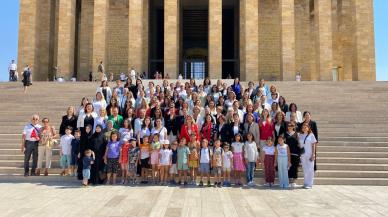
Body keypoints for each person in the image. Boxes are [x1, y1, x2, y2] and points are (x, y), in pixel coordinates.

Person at [299, 123, 317, 189]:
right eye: (303, 127)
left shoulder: (311, 135)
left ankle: (310, 184)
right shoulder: (300, 135)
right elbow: (299, 145)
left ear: (308, 128)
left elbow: (313, 145)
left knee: (310, 169)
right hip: (303, 155)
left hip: (309, 154)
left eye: (306, 127)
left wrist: (313, 154)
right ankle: (305, 183)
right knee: (305, 169)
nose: (304, 128)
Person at [285, 122, 300, 187]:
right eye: (289, 125)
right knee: (288, 167)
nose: (290, 127)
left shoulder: (297, 134)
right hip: (287, 153)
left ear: (294, 126)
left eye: (291, 125)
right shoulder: (285, 134)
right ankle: (289, 181)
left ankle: (293, 181)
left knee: (295, 167)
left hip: (295, 153)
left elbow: (299, 144)